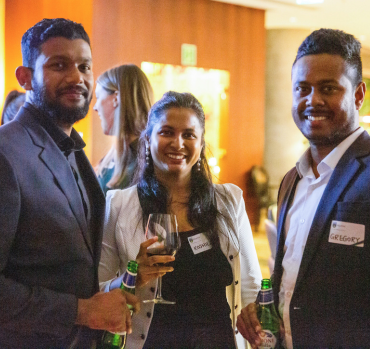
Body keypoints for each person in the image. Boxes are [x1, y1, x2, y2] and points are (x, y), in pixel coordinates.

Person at [0, 18, 138, 349]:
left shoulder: (74, 151)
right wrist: (82, 311)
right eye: (59, 65)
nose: (76, 77)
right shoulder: (6, 153)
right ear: (25, 78)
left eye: (84, 66)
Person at [237, 28, 370, 348]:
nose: (313, 100)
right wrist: (263, 309)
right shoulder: (290, 181)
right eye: (302, 88)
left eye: (328, 88)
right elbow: (293, 280)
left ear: (358, 95)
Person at [98, 91, 262, 349]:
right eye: (166, 132)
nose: (178, 143)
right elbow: (99, 290)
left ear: (200, 143)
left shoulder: (229, 200)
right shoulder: (119, 205)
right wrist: (132, 276)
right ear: (148, 139)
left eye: (189, 135)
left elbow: (250, 285)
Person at [94, 64, 153, 195]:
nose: (95, 107)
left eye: (98, 97)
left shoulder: (146, 163)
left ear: (116, 98)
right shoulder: (114, 157)